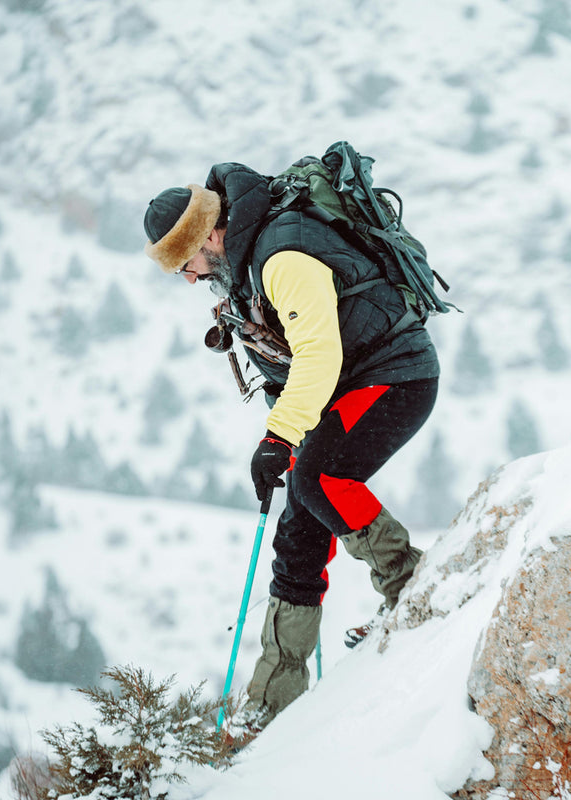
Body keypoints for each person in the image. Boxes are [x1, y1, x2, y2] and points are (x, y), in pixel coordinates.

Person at [143, 159, 440, 731]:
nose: (186, 278)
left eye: (185, 263)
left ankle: (414, 585)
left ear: (208, 235)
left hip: (397, 375)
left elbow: (319, 355)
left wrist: (279, 437)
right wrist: (287, 435)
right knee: (299, 531)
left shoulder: (280, 257)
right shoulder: (241, 265)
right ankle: (271, 706)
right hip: (348, 386)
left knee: (318, 481)